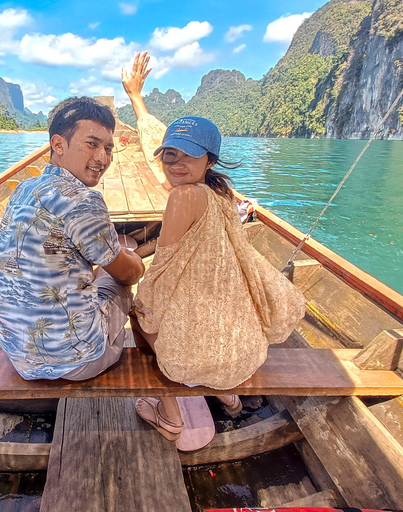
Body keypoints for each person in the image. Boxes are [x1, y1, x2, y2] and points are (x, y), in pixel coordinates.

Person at [122, 52, 306, 440]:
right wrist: (137, 99)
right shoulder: (221, 192)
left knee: (138, 311)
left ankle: (169, 415)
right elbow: (163, 150)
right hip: (244, 353)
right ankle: (231, 401)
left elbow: (162, 275)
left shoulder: (183, 198)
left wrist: (133, 288)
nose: (176, 161)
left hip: (200, 359)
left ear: (208, 158)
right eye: (170, 154)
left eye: (188, 154)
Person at [0, 97, 145, 381]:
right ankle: (138, 354)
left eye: (108, 148)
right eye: (92, 144)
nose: (102, 158)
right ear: (59, 145)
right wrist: (135, 260)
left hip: (18, 355)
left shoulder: (23, 188)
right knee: (118, 282)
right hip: (76, 364)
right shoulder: (85, 199)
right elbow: (128, 274)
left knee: (92, 271)